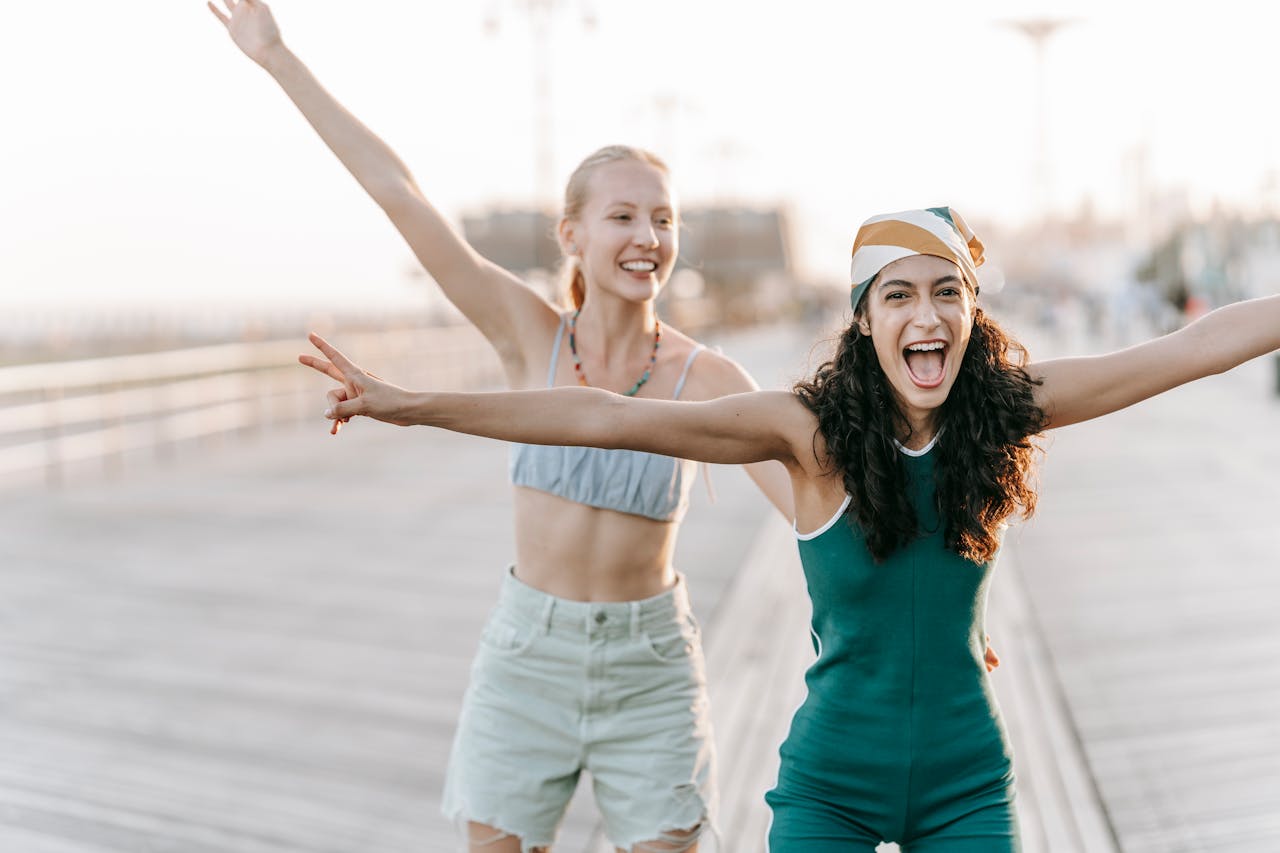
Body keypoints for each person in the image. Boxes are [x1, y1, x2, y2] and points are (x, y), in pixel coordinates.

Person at [299, 206, 1280, 851]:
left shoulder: (1005, 410)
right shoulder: (804, 436)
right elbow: (604, 415)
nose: (923, 313)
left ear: (971, 316)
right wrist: (413, 403)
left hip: (965, 781)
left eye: (945, 291)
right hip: (828, 788)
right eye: (896, 293)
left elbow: (1190, 349)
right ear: (863, 322)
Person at [207, 2, 904, 850]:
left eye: (663, 218)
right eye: (622, 217)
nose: (648, 236)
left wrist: (936, 620)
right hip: (525, 657)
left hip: (649, 669)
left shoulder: (708, 378)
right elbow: (400, 195)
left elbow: (818, 510)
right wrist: (277, 57)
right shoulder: (526, 333)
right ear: (571, 234)